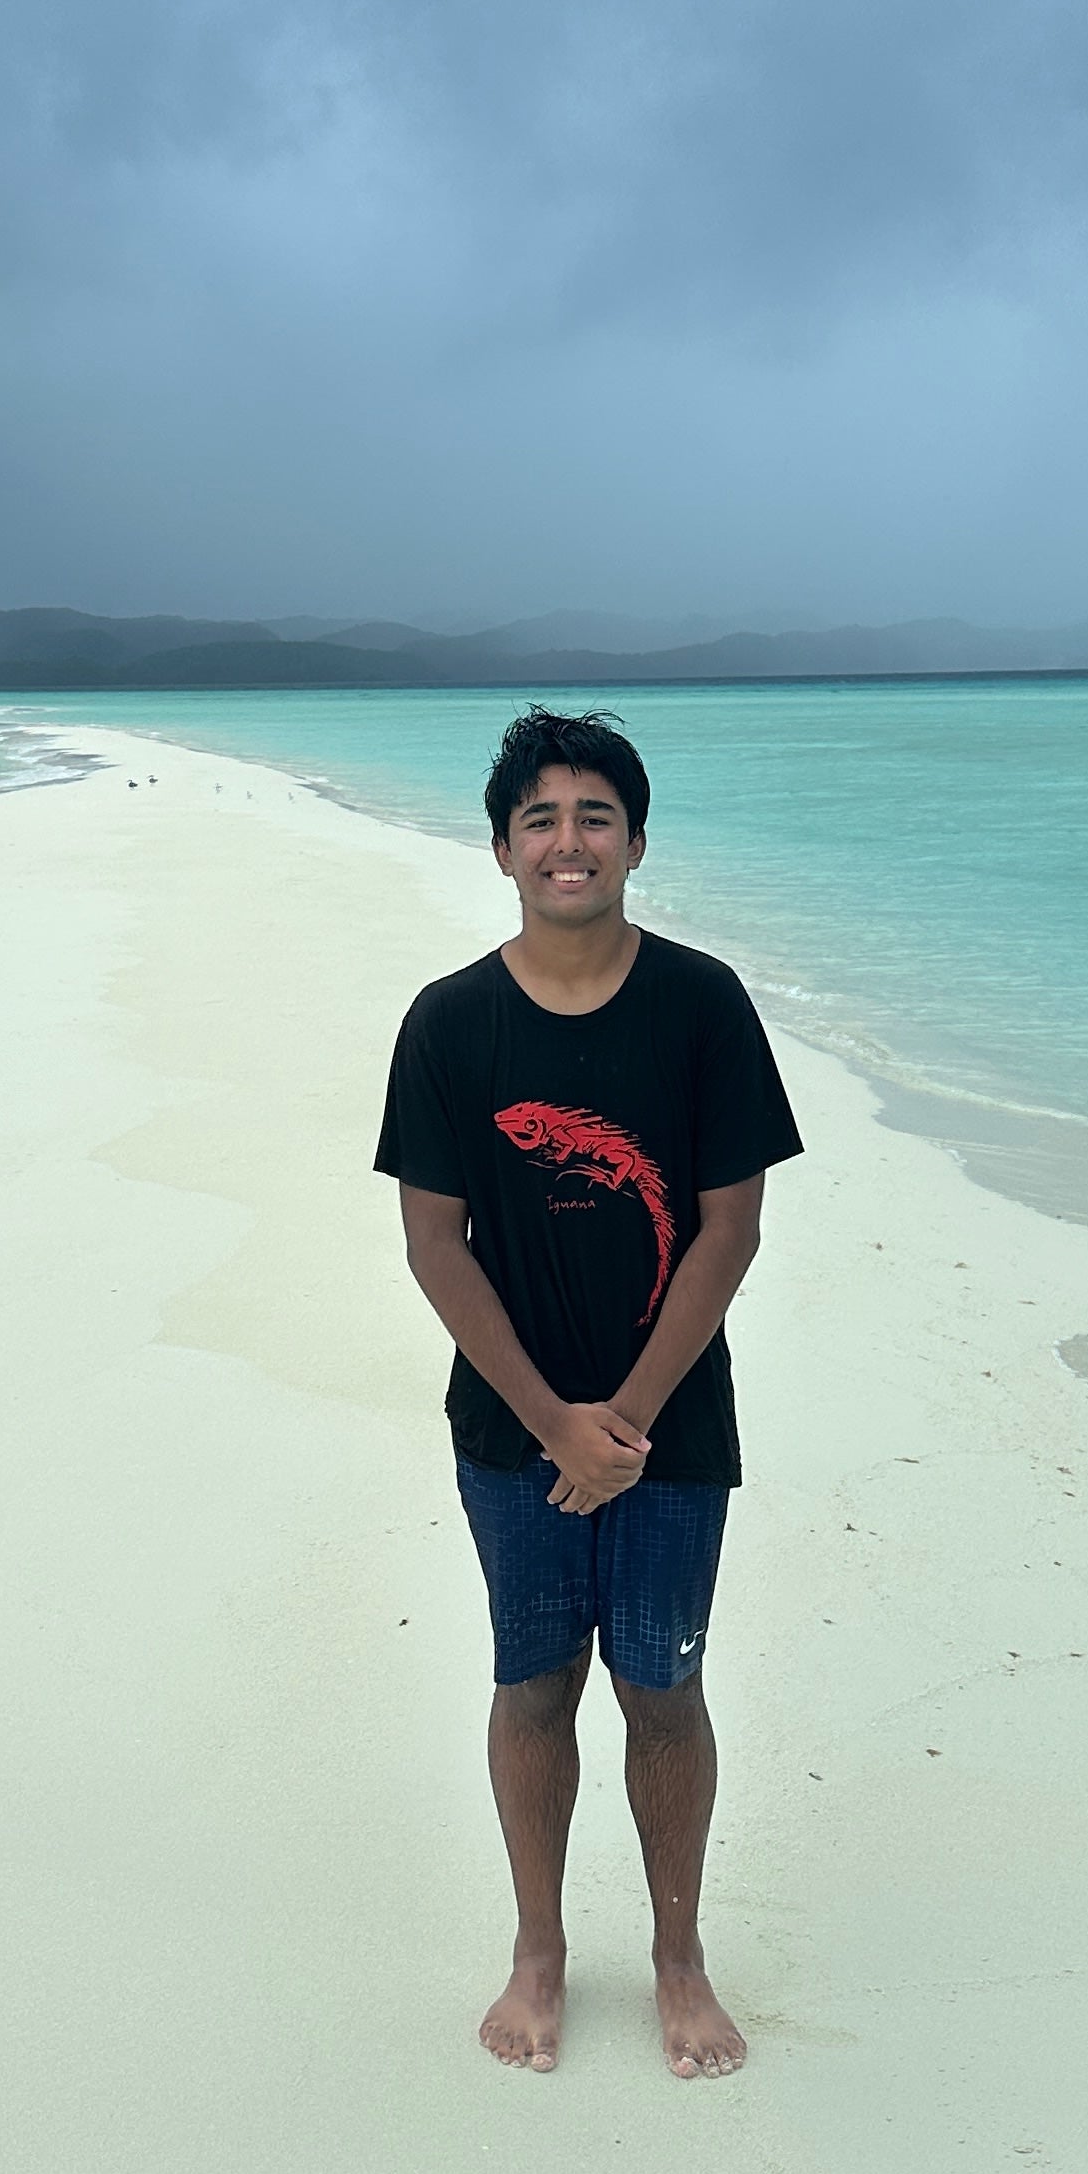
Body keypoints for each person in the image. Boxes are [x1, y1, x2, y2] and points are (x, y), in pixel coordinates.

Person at [376, 709, 802, 2077]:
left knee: (664, 1688)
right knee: (535, 1684)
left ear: (635, 842)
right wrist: (559, 1421)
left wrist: (623, 1418)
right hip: (513, 1430)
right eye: (542, 818)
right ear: (502, 849)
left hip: (672, 1428)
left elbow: (727, 1227)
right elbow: (433, 1243)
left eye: (595, 815)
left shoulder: (703, 1005)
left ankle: (680, 1957)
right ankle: (540, 1948)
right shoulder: (450, 1025)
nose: (570, 840)